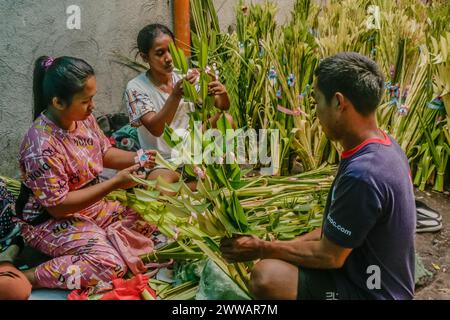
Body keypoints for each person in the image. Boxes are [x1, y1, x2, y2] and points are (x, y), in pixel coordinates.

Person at [220, 52, 416, 300]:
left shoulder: (364, 174)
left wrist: (262, 248)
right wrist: (276, 247)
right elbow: (331, 234)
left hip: (372, 292)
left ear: (338, 102)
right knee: (276, 261)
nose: (315, 113)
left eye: (316, 102)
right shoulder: (385, 146)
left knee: (266, 277)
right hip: (366, 273)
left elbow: (330, 256)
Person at [17, 56, 157, 290]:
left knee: (150, 221)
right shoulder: (41, 147)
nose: (92, 106)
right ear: (58, 103)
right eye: (86, 100)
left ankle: (97, 242)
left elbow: (104, 152)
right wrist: (114, 184)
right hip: (52, 221)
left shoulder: (84, 119)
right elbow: (58, 206)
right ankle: (29, 276)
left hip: (91, 207)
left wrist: (142, 158)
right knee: (109, 266)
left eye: (92, 98)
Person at [124, 24, 233, 189]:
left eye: (171, 51)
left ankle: (197, 181)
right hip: (163, 161)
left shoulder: (185, 77)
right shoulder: (136, 88)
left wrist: (222, 92)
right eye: (160, 53)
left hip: (192, 150)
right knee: (162, 187)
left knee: (226, 120)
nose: (168, 58)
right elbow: (156, 128)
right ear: (145, 57)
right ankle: (201, 182)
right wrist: (175, 95)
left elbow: (222, 106)